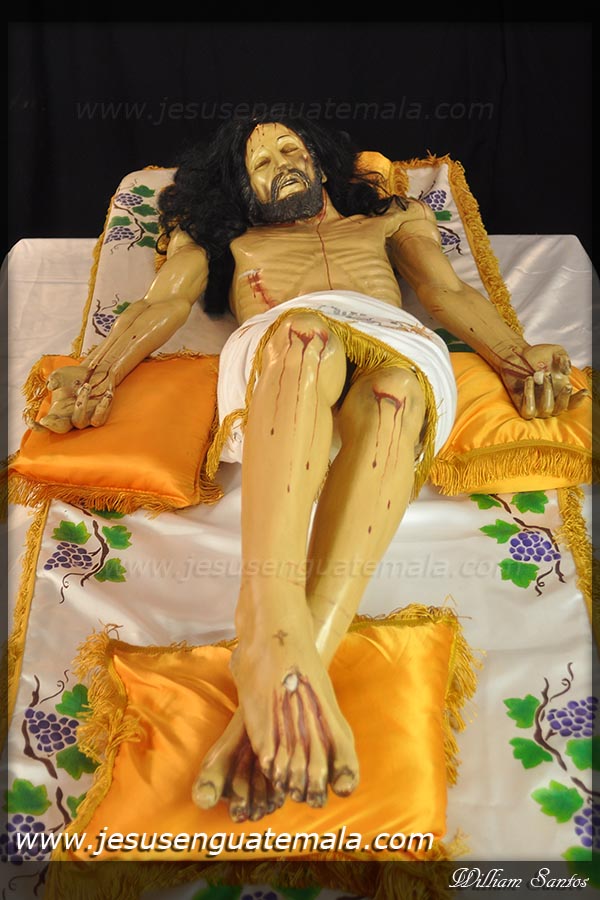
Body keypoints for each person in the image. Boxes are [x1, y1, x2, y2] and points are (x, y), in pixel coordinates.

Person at [40, 115, 587, 823]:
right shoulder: (223, 237)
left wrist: (518, 359)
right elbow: (162, 303)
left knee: (398, 394)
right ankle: (267, 612)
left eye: (289, 149)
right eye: (260, 162)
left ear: (322, 164)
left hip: (396, 343)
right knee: (306, 336)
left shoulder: (392, 219)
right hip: (284, 346)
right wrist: (99, 373)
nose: (280, 164)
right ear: (242, 188)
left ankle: (272, 670)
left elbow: (449, 296)